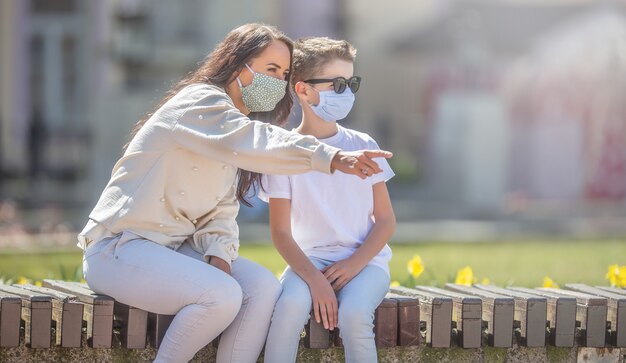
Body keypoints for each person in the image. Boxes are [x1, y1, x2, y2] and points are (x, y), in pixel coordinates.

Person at [78, 24, 391, 363]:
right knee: (222, 295)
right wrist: (331, 157)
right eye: (270, 69)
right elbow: (256, 138)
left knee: (263, 288)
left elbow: (221, 212)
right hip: (120, 248)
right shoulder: (200, 103)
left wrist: (219, 253)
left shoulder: (233, 126)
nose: (276, 81)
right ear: (236, 62)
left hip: (175, 251)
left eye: (283, 74)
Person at [260, 37, 396, 363]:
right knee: (289, 306)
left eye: (351, 82)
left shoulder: (363, 144)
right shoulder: (284, 154)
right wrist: (315, 282)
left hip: (366, 264)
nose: (346, 91)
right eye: (337, 83)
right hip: (309, 262)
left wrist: (355, 263)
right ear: (303, 90)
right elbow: (280, 234)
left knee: (354, 315)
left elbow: (386, 221)